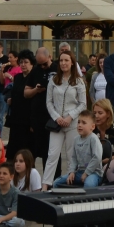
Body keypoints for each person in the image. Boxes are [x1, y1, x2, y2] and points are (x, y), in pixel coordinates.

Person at [42, 46, 87, 183]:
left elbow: (83, 104)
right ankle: (46, 186)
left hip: (72, 123)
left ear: (72, 62)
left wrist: (70, 116)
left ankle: (69, 183)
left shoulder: (79, 81)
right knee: (52, 155)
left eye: (66, 60)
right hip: (56, 123)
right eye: (61, 60)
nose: (63, 63)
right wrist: (57, 117)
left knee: (71, 155)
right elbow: (49, 102)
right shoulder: (54, 80)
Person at [54, 110, 105, 188]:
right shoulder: (76, 139)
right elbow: (74, 158)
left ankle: (87, 200)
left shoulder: (93, 139)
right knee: (57, 182)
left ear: (92, 127)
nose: (80, 125)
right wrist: (71, 172)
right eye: (78, 122)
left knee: (89, 185)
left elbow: (97, 157)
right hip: (79, 172)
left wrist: (86, 173)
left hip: (94, 173)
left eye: (84, 123)